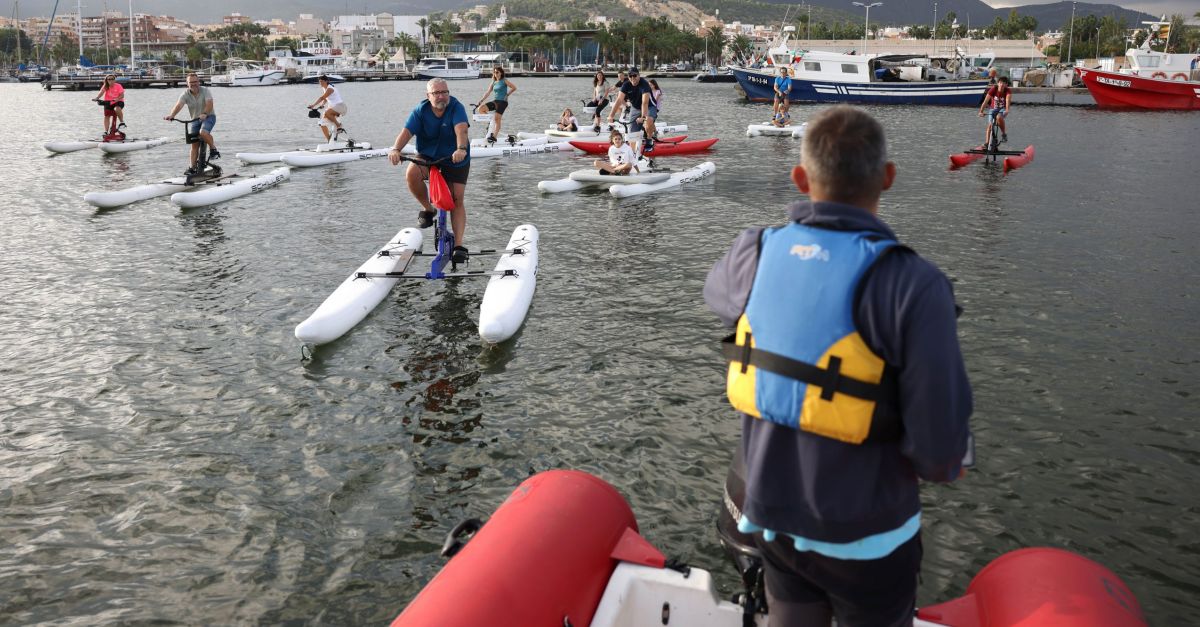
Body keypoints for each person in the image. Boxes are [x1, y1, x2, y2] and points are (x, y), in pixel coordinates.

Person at [703, 106, 972, 627]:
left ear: (800, 178)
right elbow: (940, 450)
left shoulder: (752, 253)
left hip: (773, 522)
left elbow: (717, 293)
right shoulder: (914, 284)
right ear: (888, 179)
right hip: (869, 541)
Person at [388, 78, 472, 265]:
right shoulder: (421, 110)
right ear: (428, 96)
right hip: (428, 156)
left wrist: (461, 149)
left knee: (457, 199)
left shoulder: (456, 107)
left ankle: (458, 246)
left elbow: (462, 130)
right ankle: (428, 208)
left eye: (445, 92)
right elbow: (406, 132)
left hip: (455, 157)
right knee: (412, 173)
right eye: (436, 93)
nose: (442, 96)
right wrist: (396, 149)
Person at [163, 72, 220, 174]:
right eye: (191, 82)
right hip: (195, 120)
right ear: (187, 83)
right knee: (194, 145)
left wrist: (205, 113)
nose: (193, 84)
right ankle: (192, 168)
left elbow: (210, 104)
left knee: (203, 132)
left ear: (198, 82)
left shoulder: (205, 91)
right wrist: (172, 115)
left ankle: (213, 149)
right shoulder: (185, 94)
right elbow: (178, 105)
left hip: (209, 117)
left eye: (195, 82)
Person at [608, 67, 658, 151]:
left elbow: (644, 102)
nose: (632, 78)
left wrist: (642, 117)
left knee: (648, 120)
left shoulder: (644, 84)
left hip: (649, 106)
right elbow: (619, 99)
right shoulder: (626, 84)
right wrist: (611, 116)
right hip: (635, 108)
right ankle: (633, 155)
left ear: (639, 75)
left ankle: (649, 140)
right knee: (632, 135)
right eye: (630, 76)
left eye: (635, 76)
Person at [474, 67, 517, 143]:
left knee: (497, 119)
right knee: (480, 109)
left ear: (501, 73)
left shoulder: (504, 80)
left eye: (497, 72)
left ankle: (494, 136)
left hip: (503, 102)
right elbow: (488, 92)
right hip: (495, 101)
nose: (495, 74)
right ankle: (491, 123)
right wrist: (481, 101)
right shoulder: (494, 81)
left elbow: (514, 87)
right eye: (494, 72)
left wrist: (507, 95)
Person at [307, 75, 347, 142]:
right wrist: (322, 105)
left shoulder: (330, 88)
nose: (320, 83)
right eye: (319, 82)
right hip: (332, 108)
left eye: (322, 81)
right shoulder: (324, 88)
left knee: (327, 112)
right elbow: (325, 99)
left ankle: (339, 125)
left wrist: (313, 105)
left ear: (326, 81)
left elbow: (322, 97)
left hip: (341, 107)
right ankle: (329, 140)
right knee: (321, 123)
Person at [978, 75, 1012, 146]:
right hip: (993, 109)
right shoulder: (993, 89)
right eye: (1000, 83)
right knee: (990, 125)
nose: (1002, 85)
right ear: (998, 83)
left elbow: (1007, 99)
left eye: (1004, 83)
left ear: (1006, 84)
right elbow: (985, 101)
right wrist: (981, 111)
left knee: (999, 117)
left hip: (1002, 109)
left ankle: (1003, 134)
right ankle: (987, 143)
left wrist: (1007, 110)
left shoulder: (1007, 90)